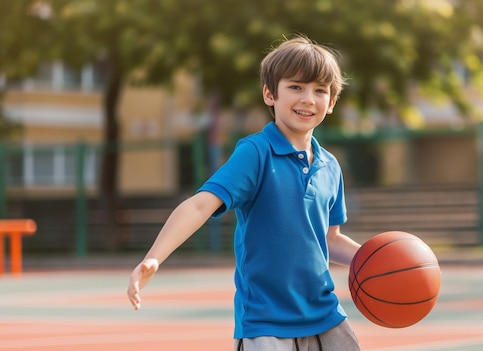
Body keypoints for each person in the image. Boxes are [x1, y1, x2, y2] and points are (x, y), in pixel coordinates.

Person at [127, 35, 362, 351]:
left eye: (320, 90)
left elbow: (329, 239)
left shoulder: (330, 166)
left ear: (331, 102)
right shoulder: (256, 152)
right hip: (266, 322)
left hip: (325, 316)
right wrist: (154, 257)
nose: (308, 98)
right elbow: (199, 206)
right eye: (296, 87)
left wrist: (376, 261)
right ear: (270, 94)